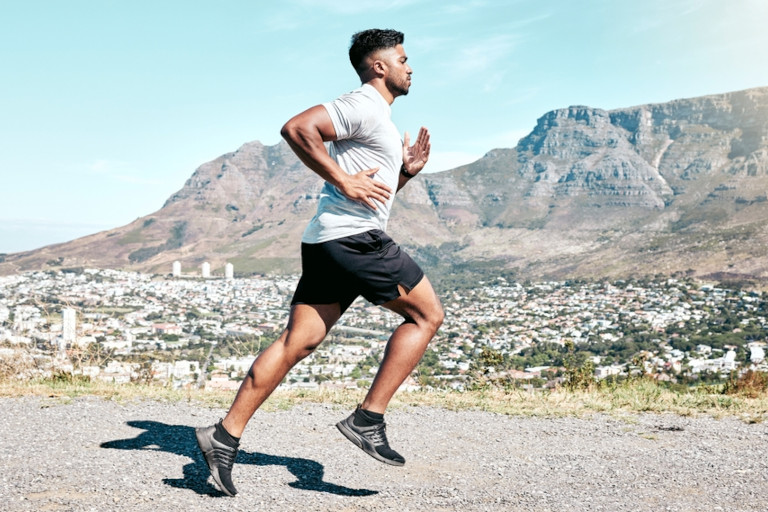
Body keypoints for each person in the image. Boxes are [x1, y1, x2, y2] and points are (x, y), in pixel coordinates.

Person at [195, 28, 444, 497]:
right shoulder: (362, 105)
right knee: (427, 315)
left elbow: (373, 196)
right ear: (379, 67)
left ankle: (222, 437)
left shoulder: (380, 122)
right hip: (354, 240)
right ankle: (367, 419)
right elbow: (296, 128)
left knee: (298, 341)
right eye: (404, 59)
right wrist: (343, 179)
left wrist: (404, 173)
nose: (411, 68)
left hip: (329, 240)